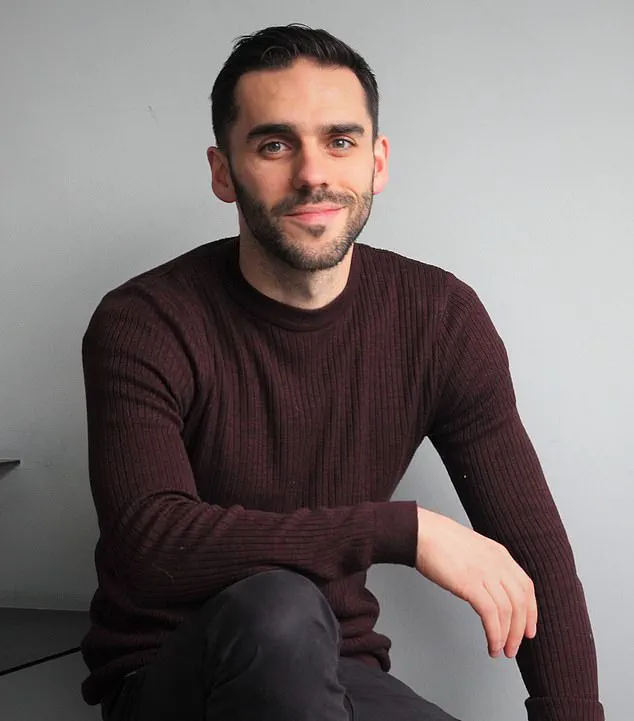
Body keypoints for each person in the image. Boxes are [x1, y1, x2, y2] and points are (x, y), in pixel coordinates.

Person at [80, 24, 604, 721]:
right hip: (170, 678)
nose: (313, 174)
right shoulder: (145, 320)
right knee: (277, 608)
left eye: (340, 141)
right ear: (222, 171)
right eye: (275, 144)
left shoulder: (439, 318)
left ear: (377, 162)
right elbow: (150, 542)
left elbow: (534, 550)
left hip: (336, 671)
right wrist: (404, 531)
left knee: (296, 623)